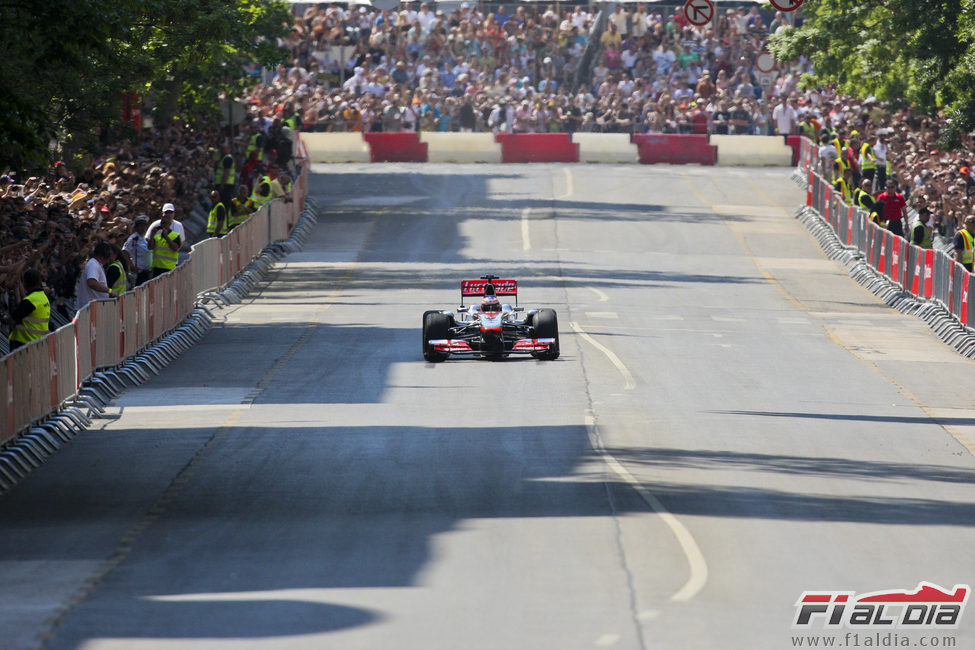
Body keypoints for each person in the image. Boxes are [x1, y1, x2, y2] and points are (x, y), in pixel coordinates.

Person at [8, 268, 50, 350]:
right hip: (39, 343)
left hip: (25, 345)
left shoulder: (30, 300)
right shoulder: (42, 297)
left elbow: (11, 320)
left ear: (26, 283)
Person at [75, 241, 116, 310]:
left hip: (93, 308)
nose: (109, 260)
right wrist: (109, 291)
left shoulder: (96, 264)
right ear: (103, 256)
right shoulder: (93, 265)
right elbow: (92, 283)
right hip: (90, 309)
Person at [148, 209, 182, 278]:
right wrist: (152, 235)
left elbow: (175, 248)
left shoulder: (175, 235)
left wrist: (166, 237)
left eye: (165, 223)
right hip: (157, 268)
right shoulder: (157, 237)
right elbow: (150, 247)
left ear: (169, 224)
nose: (163, 225)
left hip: (169, 269)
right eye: (162, 223)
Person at [123, 214, 151, 286]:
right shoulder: (133, 239)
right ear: (136, 227)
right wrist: (132, 266)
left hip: (148, 271)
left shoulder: (145, 238)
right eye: (141, 226)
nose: (143, 228)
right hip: (139, 272)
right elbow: (125, 251)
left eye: (144, 226)